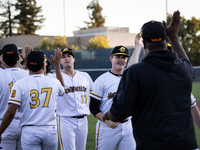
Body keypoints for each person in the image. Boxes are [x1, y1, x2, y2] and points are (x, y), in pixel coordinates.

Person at [103, 10, 198, 150]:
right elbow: (185, 62)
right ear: (166, 41)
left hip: (153, 145)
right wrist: (174, 37)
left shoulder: (135, 72)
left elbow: (119, 112)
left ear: (145, 45)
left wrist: (107, 116)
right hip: (186, 145)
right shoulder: (184, 69)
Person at [0, 50, 65, 150]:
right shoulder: (53, 82)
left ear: (26, 64)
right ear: (43, 66)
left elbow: (10, 113)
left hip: (30, 131)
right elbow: (62, 89)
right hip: (50, 130)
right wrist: (57, 66)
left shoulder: (20, 84)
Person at [89, 33, 143, 150]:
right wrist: (106, 120)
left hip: (128, 127)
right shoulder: (102, 80)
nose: (121, 60)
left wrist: (138, 47)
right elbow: (93, 106)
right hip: (106, 127)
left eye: (123, 57)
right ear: (111, 58)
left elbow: (133, 67)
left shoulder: (129, 78)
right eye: (117, 57)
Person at [56, 48, 93, 150]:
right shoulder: (55, 77)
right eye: (63, 57)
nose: (66, 58)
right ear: (60, 61)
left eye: (69, 56)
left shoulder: (85, 76)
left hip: (83, 120)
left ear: (74, 59)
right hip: (66, 120)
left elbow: (93, 96)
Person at [0, 44, 29, 150]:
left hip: (4, 124)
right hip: (25, 124)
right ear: (18, 58)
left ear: (2, 58)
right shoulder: (28, 75)